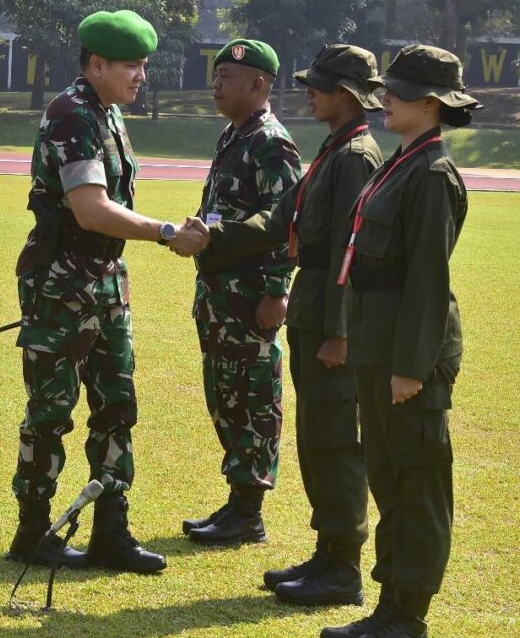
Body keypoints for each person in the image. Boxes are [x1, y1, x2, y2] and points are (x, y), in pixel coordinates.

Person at [186, 44, 480, 638]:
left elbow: (426, 278)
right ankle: (382, 597)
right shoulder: (394, 160)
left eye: (395, 91)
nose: (384, 98)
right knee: (386, 474)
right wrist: (209, 238)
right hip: (374, 340)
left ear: (431, 103)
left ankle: (400, 609)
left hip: (396, 349)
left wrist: (406, 363)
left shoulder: (424, 172)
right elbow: (294, 224)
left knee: (412, 480)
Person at [7, 10, 203, 574]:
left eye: (143, 65)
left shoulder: (107, 112)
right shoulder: (71, 113)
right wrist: (167, 232)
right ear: (96, 64)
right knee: (50, 409)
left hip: (104, 280)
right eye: (131, 66)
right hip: (62, 285)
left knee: (116, 405)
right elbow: (91, 210)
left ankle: (111, 533)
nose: (141, 76)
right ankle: (33, 532)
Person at [261, 45, 384, 608]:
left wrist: (340, 332)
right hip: (312, 307)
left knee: (335, 440)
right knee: (316, 436)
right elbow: (281, 217)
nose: (309, 91)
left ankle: (343, 569)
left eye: (320, 85)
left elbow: (347, 250)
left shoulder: (355, 155)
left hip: (329, 317)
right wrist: (214, 235)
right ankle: (328, 551)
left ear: (347, 95)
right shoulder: (336, 148)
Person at [178, 39, 302, 546]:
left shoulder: (271, 141)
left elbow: (287, 222)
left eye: (228, 76)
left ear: (260, 84)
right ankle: (237, 502)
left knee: (253, 398)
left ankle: (249, 512)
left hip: (251, 300)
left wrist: (276, 291)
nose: (216, 84)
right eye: (216, 74)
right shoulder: (236, 135)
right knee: (225, 396)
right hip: (220, 297)